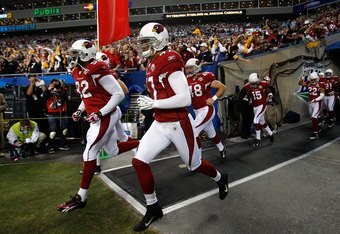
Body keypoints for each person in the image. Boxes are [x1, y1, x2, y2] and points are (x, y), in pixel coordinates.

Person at [132, 23, 229, 232]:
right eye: (143, 42)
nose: (144, 46)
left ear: (161, 41)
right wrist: (153, 103)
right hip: (160, 121)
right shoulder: (151, 62)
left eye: (148, 41)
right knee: (139, 161)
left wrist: (154, 103)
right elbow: (163, 92)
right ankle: (153, 206)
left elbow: (184, 98)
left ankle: (221, 179)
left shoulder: (170, 58)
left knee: (194, 165)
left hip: (177, 122)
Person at [57, 39, 139, 213]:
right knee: (113, 151)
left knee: (89, 152)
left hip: (105, 115)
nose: (73, 58)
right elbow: (87, 96)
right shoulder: (78, 71)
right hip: (98, 115)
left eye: (76, 54)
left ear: (86, 54)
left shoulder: (97, 68)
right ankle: (140, 143)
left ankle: (81, 197)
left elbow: (119, 94)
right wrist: (80, 110)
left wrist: (100, 113)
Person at [185, 58, 227, 160]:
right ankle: (222, 149)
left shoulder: (205, 76)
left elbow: (222, 87)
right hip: (197, 111)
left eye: (191, 68)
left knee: (194, 132)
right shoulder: (187, 80)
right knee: (211, 133)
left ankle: (198, 159)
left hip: (206, 109)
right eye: (188, 68)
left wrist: (214, 98)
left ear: (197, 67)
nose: (189, 70)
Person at [244, 73, 274, 146]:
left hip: (262, 104)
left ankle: (258, 138)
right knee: (262, 122)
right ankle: (271, 133)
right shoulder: (248, 86)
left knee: (255, 120)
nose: (253, 85)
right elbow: (248, 92)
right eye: (252, 83)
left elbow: (269, 89)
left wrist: (269, 97)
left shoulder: (263, 84)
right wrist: (247, 98)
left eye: (254, 83)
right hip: (255, 106)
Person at [42, 78, 70, 152]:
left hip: (62, 112)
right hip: (52, 112)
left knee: (64, 129)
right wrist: (49, 89)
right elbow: (44, 97)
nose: (55, 84)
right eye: (53, 83)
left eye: (56, 83)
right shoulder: (48, 91)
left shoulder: (63, 90)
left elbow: (65, 98)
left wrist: (61, 89)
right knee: (53, 131)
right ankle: (51, 146)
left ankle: (63, 144)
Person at [299, 72, 325, 140]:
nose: (313, 81)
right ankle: (320, 123)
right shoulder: (308, 83)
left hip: (317, 103)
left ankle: (315, 133)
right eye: (312, 79)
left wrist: (315, 100)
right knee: (313, 117)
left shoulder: (321, 84)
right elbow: (300, 83)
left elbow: (322, 95)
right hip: (310, 103)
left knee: (314, 117)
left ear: (317, 78)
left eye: (314, 79)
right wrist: (301, 78)